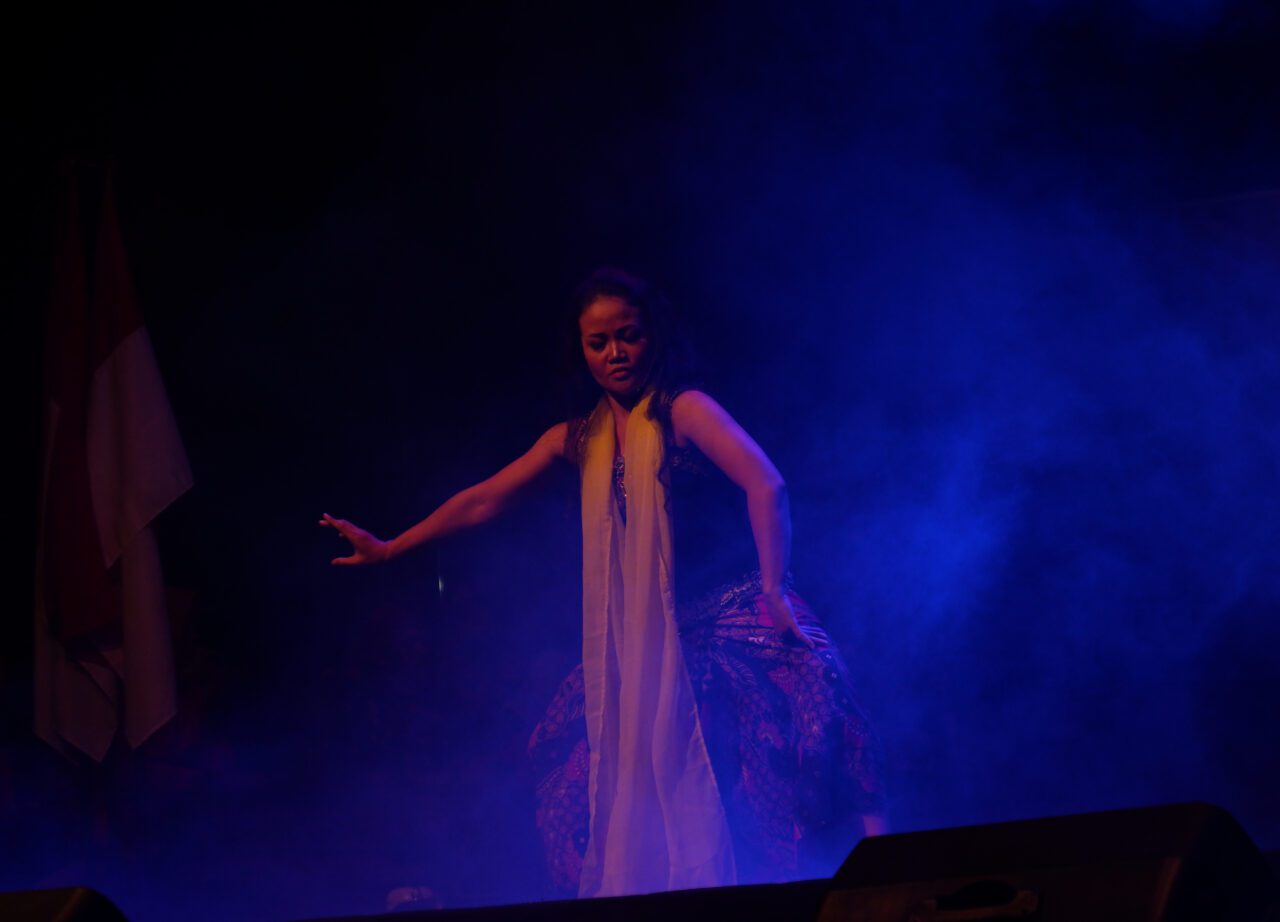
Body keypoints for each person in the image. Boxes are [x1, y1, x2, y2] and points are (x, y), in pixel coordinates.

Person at [321, 268, 885, 899]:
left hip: (735, 612)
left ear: (652, 336)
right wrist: (391, 547)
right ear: (582, 350)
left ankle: (882, 888)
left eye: (628, 335)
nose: (615, 353)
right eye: (599, 342)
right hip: (655, 636)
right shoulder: (578, 439)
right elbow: (483, 501)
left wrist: (775, 589)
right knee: (566, 757)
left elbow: (766, 483)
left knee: (820, 704)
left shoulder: (684, 410)